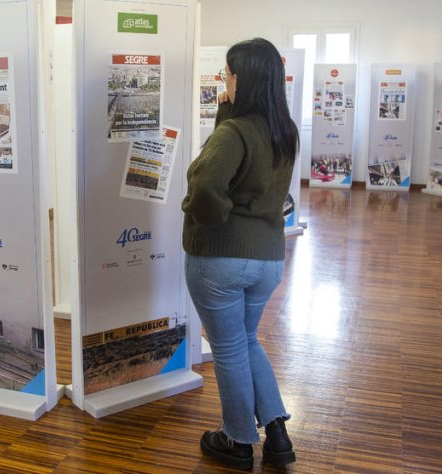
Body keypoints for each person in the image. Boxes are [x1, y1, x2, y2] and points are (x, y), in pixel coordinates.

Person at [182, 38, 298, 469]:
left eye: (227, 72)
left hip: (223, 258)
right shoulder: (282, 130)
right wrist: (225, 109)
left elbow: (207, 186)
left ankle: (238, 441)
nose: (223, 79)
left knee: (229, 348)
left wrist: (208, 216)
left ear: (242, 78)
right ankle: (278, 432)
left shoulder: (235, 132)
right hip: (268, 257)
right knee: (246, 341)